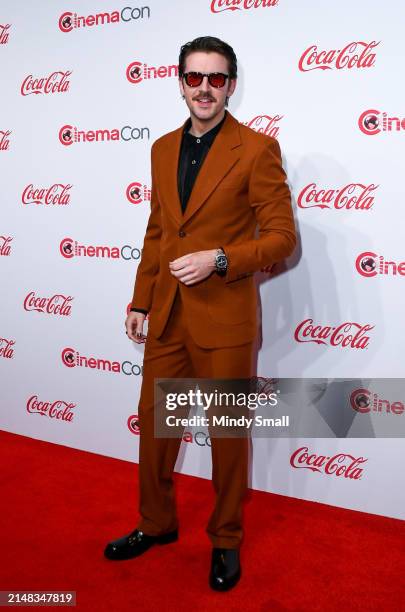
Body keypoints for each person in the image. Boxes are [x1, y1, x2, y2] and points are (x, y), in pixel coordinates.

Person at [104, 35, 296, 591]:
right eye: (195, 77)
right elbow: (159, 231)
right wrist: (142, 298)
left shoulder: (257, 149)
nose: (205, 88)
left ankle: (226, 540)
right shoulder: (162, 148)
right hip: (166, 316)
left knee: (228, 438)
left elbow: (283, 239)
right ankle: (156, 523)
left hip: (226, 320)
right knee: (156, 433)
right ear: (180, 81)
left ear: (231, 84)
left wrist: (220, 259)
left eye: (216, 78)